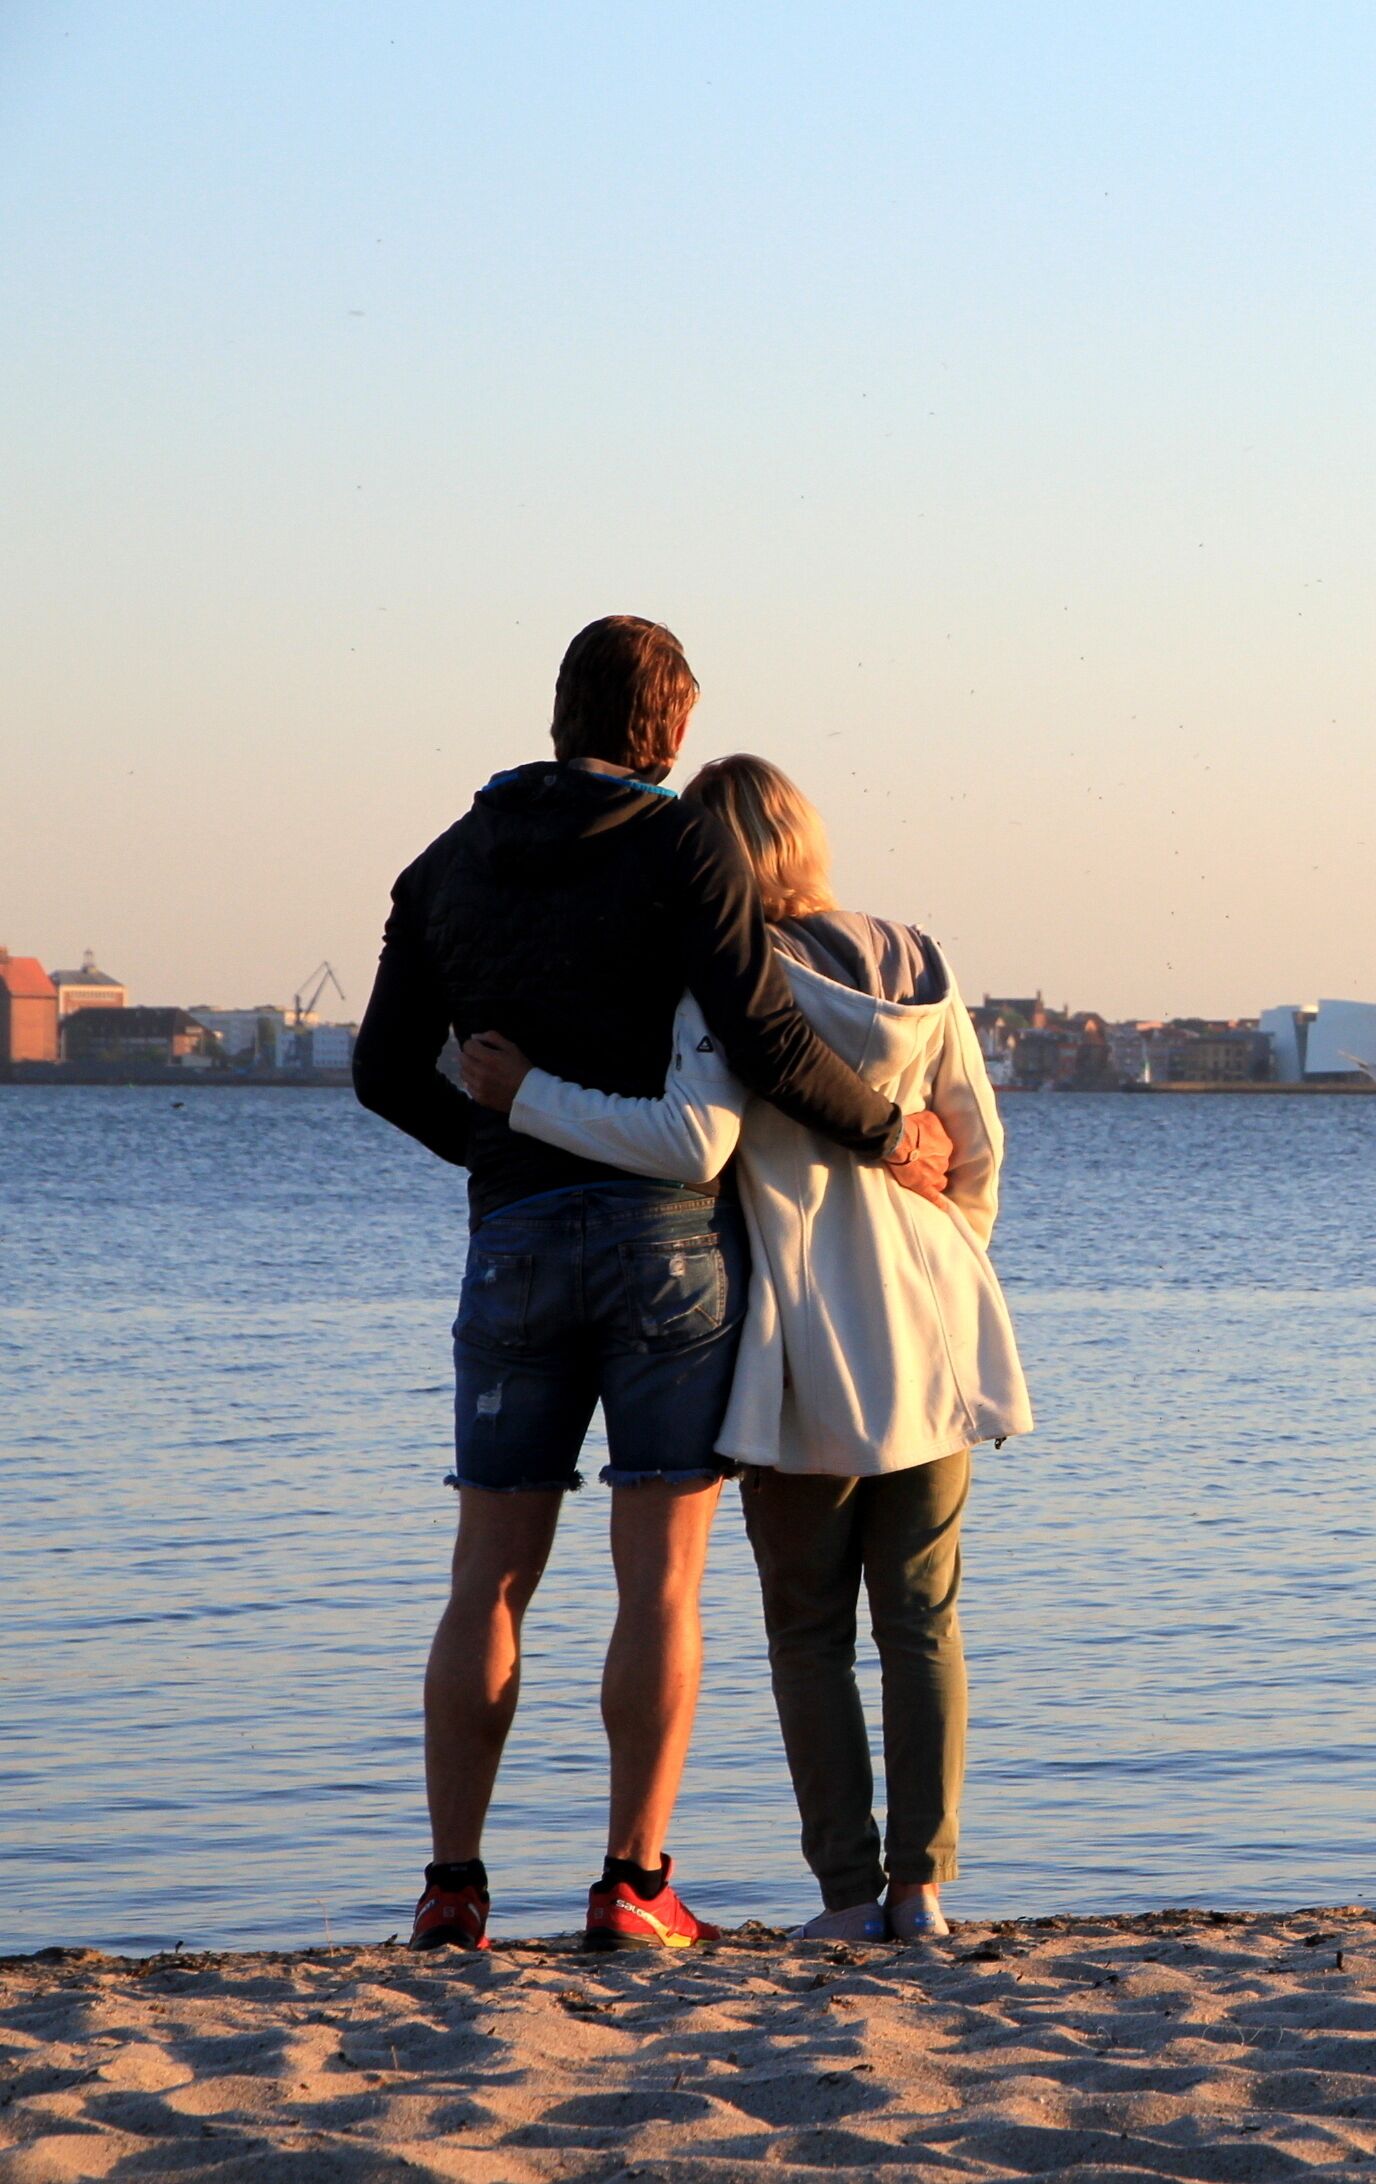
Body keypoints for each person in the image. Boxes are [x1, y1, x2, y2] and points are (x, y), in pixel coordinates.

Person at [354, 617, 954, 1953]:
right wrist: (890, 1133)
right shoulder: (686, 846)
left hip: (512, 1242)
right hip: (667, 1249)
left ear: (559, 711)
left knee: (487, 1577)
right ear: (672, 730)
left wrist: (498, 1151)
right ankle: (633, 1888)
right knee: (659, 1583)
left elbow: (382, 1073)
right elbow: (767, 1039)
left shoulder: (443, 864)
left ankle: (453, 1887)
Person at [459, 753, 1029, 1943]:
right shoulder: (919, 961)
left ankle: (846, 1894)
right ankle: (922, 1890)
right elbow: (975, 1150)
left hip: (797, 1345)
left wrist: (526, 1098)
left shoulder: (727, 976)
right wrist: (940, 1259)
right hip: (929, 1320)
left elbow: (688, 1140)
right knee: (922, 1619)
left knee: (808, 1631)